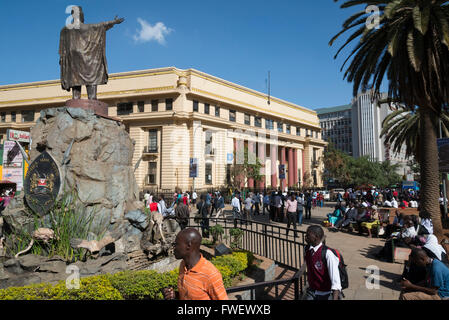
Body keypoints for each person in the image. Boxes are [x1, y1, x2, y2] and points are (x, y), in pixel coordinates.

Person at [162, 228, 228, 300]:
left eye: (176, 244)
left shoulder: (210, 274)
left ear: (188, 246)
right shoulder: (183, 265)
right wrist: (175, 295)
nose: (173, 248)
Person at [304, 225, 342, 300]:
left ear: (316, 237)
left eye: (308, 235)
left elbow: (336, 281)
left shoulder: (327, 253)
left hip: (326, 294)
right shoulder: (307, 249)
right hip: (311, 292)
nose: (305, 237)